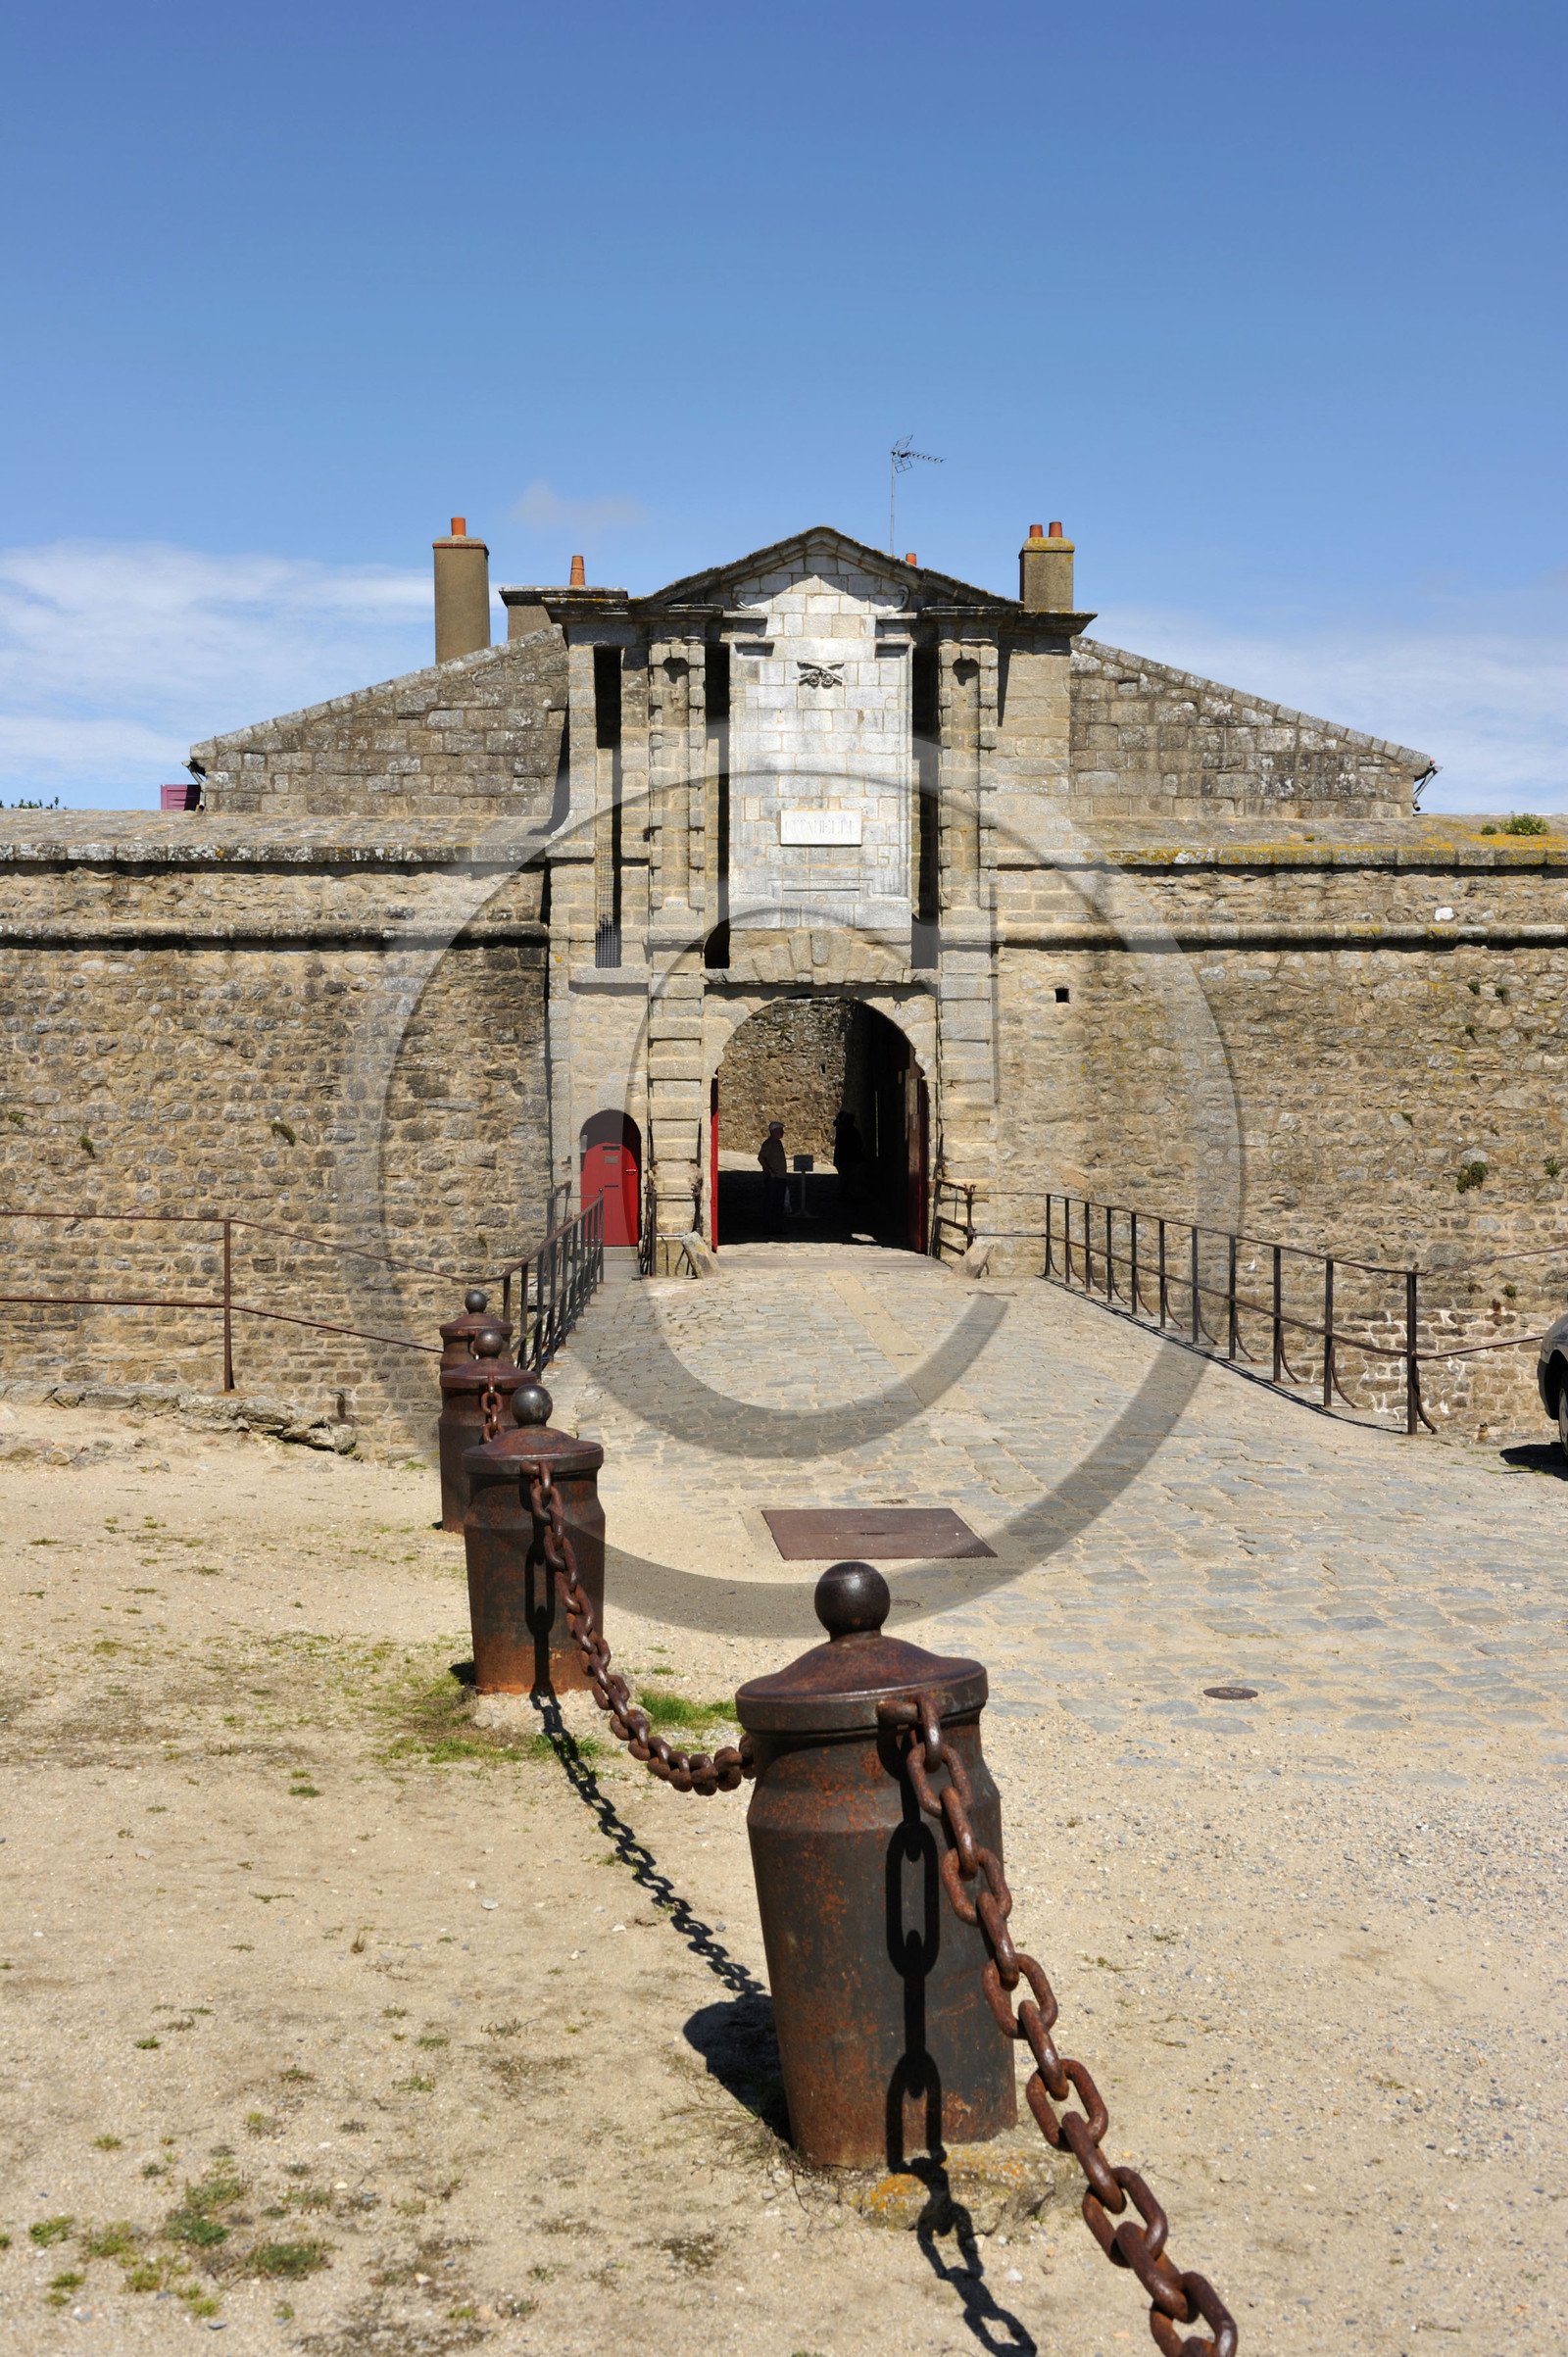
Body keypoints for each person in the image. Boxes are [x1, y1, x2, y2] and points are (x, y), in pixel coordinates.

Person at [759, 1120, 788, 1233]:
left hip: (780, 1177)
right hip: (773, 1178)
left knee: (779, 1203)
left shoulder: (778, 1143)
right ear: (774, 1131)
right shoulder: (769, 1143)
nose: (782, 1132)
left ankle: (777, 1226)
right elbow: (761, 1158)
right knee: (771, 1203)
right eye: (780, 1130)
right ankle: (769, 1226)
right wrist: (769, 1171)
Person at [833, 1109, 866, 1203]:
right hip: (851, 1158)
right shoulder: (854, 1131)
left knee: (843, 1177)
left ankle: (842, 1195)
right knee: (851, 1178)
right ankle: (850, 1196)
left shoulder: (840, 1130)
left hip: (841, 1158)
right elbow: (859, 1144)